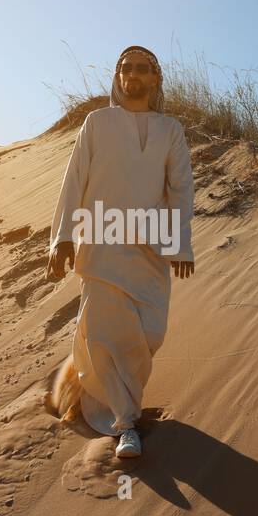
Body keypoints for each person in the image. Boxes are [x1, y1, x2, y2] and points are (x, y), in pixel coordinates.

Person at [45, 45, 195, 459]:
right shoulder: (96, 123)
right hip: (101, 244)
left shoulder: (171, 130)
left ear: (155, 79)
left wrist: (179, 243)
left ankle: (79, 383)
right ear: (117, 75)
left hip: (149, 247)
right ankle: (126, 424)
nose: (132, 74)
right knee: (113, 334)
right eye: (125, 68)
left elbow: (181, 190)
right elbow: (74, 178)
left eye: (142, 68)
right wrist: (62, 237)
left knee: (148, 333)